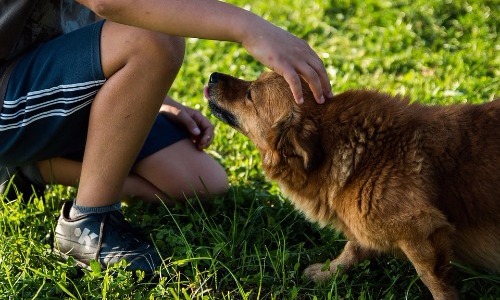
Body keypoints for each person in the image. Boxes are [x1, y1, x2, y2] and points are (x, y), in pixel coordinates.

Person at [0, 0, 333, 274]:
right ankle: (88, 222)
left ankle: (31, 168)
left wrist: (149, 95)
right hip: (7, 91)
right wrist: (251, 28)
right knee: (156, 39)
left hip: (48, 79)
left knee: (199, 182)